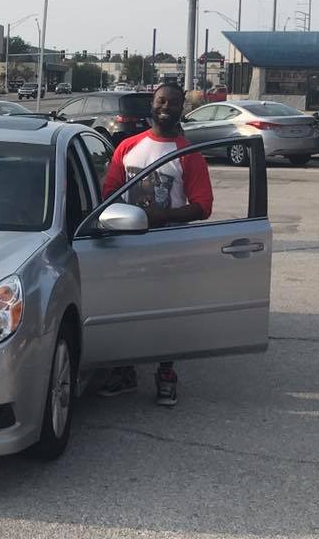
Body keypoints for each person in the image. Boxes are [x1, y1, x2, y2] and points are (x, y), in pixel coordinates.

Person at [97, 82, 214, 406]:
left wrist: (165, 215)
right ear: (152, 103)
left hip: (169, 245)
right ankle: (124, 372)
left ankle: (166, 374)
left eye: (173, 103)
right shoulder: (128, 147)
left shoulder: (188, 154)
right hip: (126, 243)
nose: (166, 107)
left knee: (165, 312)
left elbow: (203, 206)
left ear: (181, 108)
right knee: (124, 310)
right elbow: (110, 192)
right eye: (161, 101)